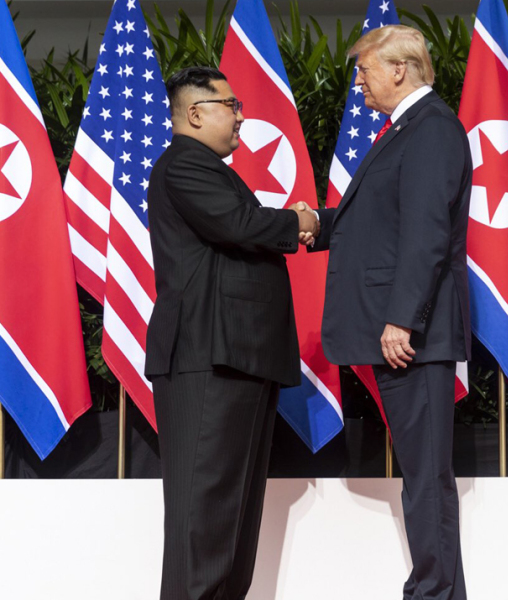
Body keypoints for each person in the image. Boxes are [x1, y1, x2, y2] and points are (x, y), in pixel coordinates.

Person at [306, 25, 472, 600]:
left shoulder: (431, 130)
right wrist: (313, 224)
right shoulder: (407, 129)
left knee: (425, 478)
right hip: (402, 330)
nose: (359, 82)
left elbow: (426, 235)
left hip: (414, 335)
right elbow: (376, 222)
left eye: (364, 70)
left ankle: (432, 592)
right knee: (422, 476)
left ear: (399, 69)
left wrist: (403, 318)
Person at [145, 66, 318, 600]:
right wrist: (301, 223)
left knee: (232, 522)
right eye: (231, 104)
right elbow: (240, 226)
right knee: (205, 522)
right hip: (207, 358)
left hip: (236, 357)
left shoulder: (206, 168)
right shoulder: (185, 165)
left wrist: (320, 222)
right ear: (195, 114)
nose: (241, 116)